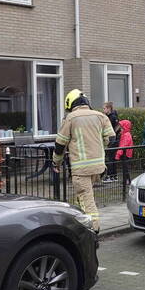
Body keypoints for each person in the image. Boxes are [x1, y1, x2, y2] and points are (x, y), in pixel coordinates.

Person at [52, 89, 115, 232]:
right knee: (82, 195)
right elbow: (111, 138)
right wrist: (98, 149)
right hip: (99, 167)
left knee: (87, 198)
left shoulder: (70, 118)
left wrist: (56, 163)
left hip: (81, 169)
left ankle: (94, 229)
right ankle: (79, 224)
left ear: (71, 103)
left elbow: (60, 144)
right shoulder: (100, 116)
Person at [102, 101, 121, 182]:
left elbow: (117, 127)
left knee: (110, 159)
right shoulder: (110, 116)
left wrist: (112, 136)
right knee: (112, 159)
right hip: (113, 140)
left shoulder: (112, 117)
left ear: (109, 108)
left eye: (104, 108)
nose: (103, 110)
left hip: (112, 140)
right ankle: (114, 176)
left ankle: (110, 176)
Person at [114, 119, 134, 187]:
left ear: (125, 127)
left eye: (122, 128)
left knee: (125, 168)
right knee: (125, 168)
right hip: (125, 153)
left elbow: (123, 145)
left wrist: (118, 155)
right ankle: (127, 180)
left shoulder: (126, 135)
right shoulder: (125, 134)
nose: (120, 129)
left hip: (125, 154)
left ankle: (127, 180)